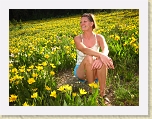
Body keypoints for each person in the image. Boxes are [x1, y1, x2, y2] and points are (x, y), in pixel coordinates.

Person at [73, 13, 114, 97]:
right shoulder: (78, 38)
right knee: (89, 58)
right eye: (81, 22)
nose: (82, 24)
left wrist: (101, 58)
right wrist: (101, 56)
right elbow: (85, 50)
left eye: (85, 21)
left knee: (102, 60)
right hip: (81, 71)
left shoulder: (99, 37)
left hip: (95, 68)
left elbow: (105, 49)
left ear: (91, 24)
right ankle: (92, 91)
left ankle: (102, 93)